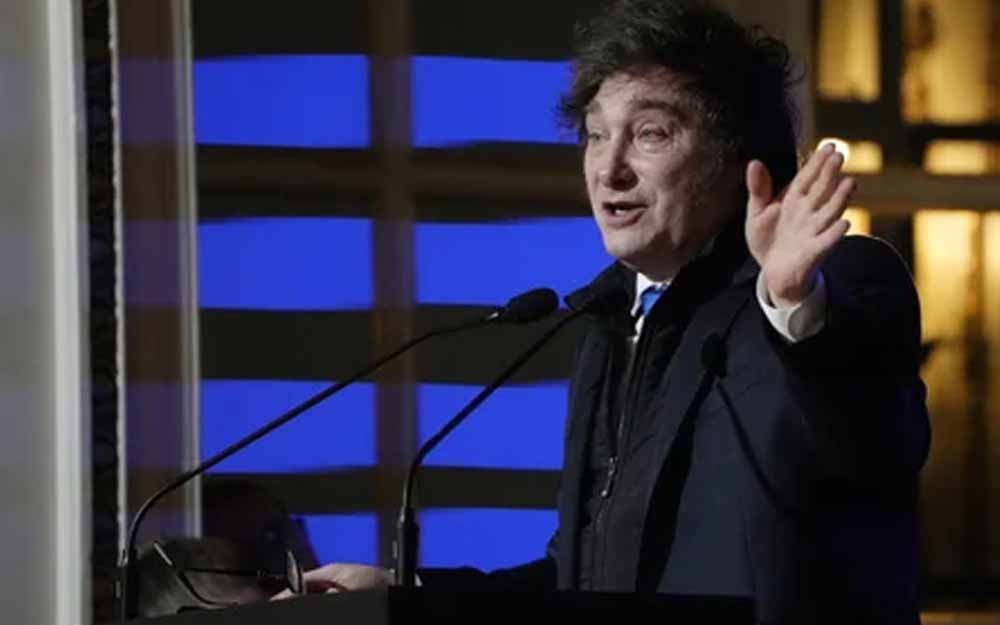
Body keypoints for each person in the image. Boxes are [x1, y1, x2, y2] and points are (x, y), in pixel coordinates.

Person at [291, 1, 930, 623]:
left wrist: (790, 302)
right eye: (596, 135)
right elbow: (579, 584)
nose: (608, 169)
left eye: (650, 134)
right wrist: (402, 594)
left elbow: (868, 441)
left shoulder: (839, 282)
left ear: (741, 161)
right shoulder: (607, 325)